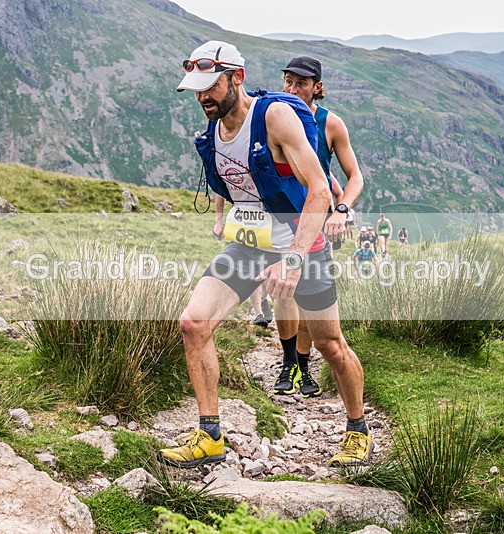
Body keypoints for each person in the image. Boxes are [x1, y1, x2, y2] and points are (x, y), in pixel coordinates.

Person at [158, 41, 372, 469]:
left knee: (330, 344)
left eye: (210, 87)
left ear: (236, 77)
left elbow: (316, 189)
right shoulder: (214, 131)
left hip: (303, 243)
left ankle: (357, 430)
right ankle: (209, 434)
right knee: (193, 323)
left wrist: (293, 257)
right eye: (196, 90)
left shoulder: (275, 117)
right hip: (251, 246)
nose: (203, 97)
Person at [272, 56, 365, 399]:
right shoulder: (271, 118)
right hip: (279, 220)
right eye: (288, 82)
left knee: (308, 300)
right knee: (282, 294)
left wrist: (341, 209)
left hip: (315, 221)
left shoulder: (331, 124)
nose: (292, 89)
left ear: (318, 88)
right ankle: (288, 362)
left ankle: (303, 364)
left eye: (301, 83)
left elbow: (355, 176)